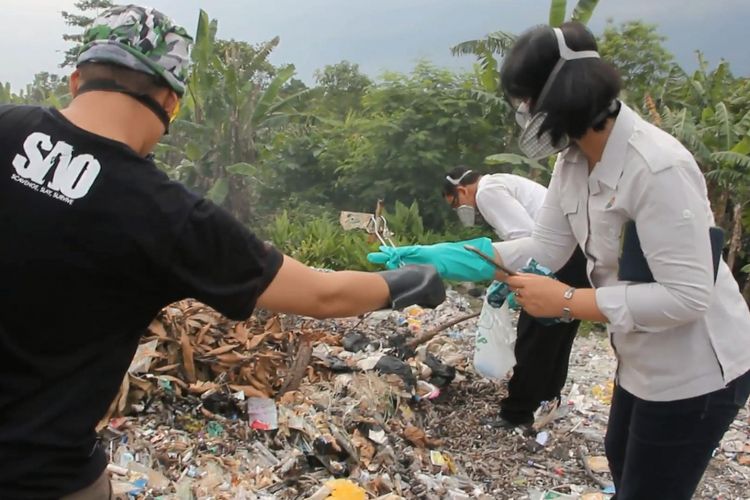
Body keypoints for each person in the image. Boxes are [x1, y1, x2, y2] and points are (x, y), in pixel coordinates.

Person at [0, 5, 445, 498]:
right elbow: (322, 295)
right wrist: (407, 280)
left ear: (76, 78)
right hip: (39, 475)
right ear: (170, 102)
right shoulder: (170, 216)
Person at [371, 22, 750, 500]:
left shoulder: (656, 169)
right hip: (640, 360)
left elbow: (687, 296)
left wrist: (567, 300)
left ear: (560, 96)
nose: (524, 117)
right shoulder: (574, 162)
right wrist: (445, 258)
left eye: (524, 103)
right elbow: (544, 248)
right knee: (621, 459)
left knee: (649, 487)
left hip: (695, 370)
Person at [443, 167, 588, 428]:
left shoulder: (487, 192)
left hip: (556, 261)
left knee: (533, 336)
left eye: (455, 203)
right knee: (559, 333)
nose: (460, 209)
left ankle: (517, 412)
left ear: (461, 190)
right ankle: (548, 399)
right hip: (578, 256)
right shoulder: (504, 183)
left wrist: (513, 281)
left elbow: (524, 237)